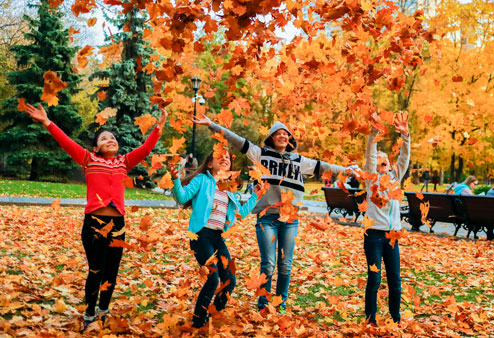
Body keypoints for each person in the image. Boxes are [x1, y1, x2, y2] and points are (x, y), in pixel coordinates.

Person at [23, 103, 168, 331]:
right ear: (96, 147)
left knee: (112, 271)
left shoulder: (124, 162)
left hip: (117, 226)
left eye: (112, 138)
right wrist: (47, 122)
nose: (110, 140)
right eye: (103, 139)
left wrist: (158, 127)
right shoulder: (88, 159)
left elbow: (146, 149)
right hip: (94, 224)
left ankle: (103, 309)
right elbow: (66, 142)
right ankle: (89, 313)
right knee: (96, 269)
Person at [192, 116, 354, 313]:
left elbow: (326, 167)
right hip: (267, 217)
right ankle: (262, 305)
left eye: (285, 134)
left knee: (285, 265)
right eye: (278, 133)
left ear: (289, 139)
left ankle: (280, 303)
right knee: (268, 263)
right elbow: (237, 140)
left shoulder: (299, 161)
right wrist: (212, 125)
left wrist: (349, 172)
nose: (282, 136)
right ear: (271, 137)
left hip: (290, 219)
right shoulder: (260, 155)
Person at [168, 149, 262, 328]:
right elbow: (182, 196)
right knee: (212, 278)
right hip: (200, 236)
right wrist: (175, 180)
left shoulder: (230, 189)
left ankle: (213, 314)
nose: (225, 158)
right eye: (220, 156)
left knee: (229, 280)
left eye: (227, 157)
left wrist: (256, 196)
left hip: (218, 238)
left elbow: (239, 214)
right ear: (210, 164)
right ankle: (198, 320)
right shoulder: (201, 180)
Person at [362, 112, 410, 327]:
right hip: (373, 236)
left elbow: (404, 157)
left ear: (390, 165)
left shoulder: (395, 179)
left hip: (392, 237)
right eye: (379, 161)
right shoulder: (371, 180)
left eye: (385, 161)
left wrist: (406, 135)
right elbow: (370, 157)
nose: (382, 164)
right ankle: (370, 319)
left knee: (395, 281)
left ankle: (395, 318)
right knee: (374, 279)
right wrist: (373, 135)